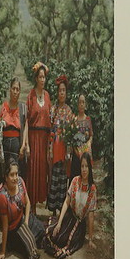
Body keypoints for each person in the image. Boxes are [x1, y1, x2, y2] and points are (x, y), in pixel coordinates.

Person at [43, 152, 96, 258]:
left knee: (64, 241)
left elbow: (90, 216)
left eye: (86, 166)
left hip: (79, 224)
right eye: (82, 166)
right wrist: (59, 222)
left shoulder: (92, 189)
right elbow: (67, 202)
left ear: (90, 168)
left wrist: (90, 239)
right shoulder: (75, 181)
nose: (84, 169)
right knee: (53, 234)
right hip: (69, 217)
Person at [0, 158, 45, 259]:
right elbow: (5, 226)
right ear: (6, 177)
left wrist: (26, 222)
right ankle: (13, 244)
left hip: (23, 219)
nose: (15, 178)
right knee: (30, 253)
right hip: (14, 230)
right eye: (12, 175)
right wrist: (3, 251)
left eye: (16, 174)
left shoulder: (20, 181)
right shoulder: (2, 197)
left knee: (42, 230)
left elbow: (28, 203)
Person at [47, 74, 74, 215]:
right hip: (54, 150)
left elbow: (70, 135)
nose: (61, 93)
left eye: (64, 90)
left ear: (66, 92)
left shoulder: (69, 112)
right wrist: (49, 150)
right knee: (53, 179)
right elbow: (50, 131)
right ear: (57, 93)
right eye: (59, 90)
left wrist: (68, 152)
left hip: (64, 151)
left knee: (63, 181)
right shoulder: (53, 109)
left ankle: (61, 213)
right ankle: (53, 213)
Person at [25, 61, 51, 209]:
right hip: (34, 138)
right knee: (32, 170)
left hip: (44, 139)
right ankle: (32, 207)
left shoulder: (47, 96)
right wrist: (27, 142)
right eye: (40, 77)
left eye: (44, 77)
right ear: (36, 78)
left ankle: (40, 202)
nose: (42, 80)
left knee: (42, 171)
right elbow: (27, 120)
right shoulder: (31, 96)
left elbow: (50, 118)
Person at [0, 77, 28, 185]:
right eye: (13, 88)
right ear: (10, 89)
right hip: (5, 145)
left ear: (19, 91)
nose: (15, 91)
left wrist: (23, 144)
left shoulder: (22, 108)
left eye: (17, 89)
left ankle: (15, 200)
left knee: (15, 174)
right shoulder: (4, 107)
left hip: (16, 145)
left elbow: (25, 126)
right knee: (4, 173)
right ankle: (3, 199)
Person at [70, 93, 93, 180]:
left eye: (83, 102)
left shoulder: (88, 120)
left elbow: (91, 135)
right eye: (80, 102)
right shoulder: (74, 120)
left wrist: (89, 143)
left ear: (85, 105)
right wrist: (77, 151)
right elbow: (71, 138)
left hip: (85, 155)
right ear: (77, 104)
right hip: (76, 156)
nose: (81, 104)